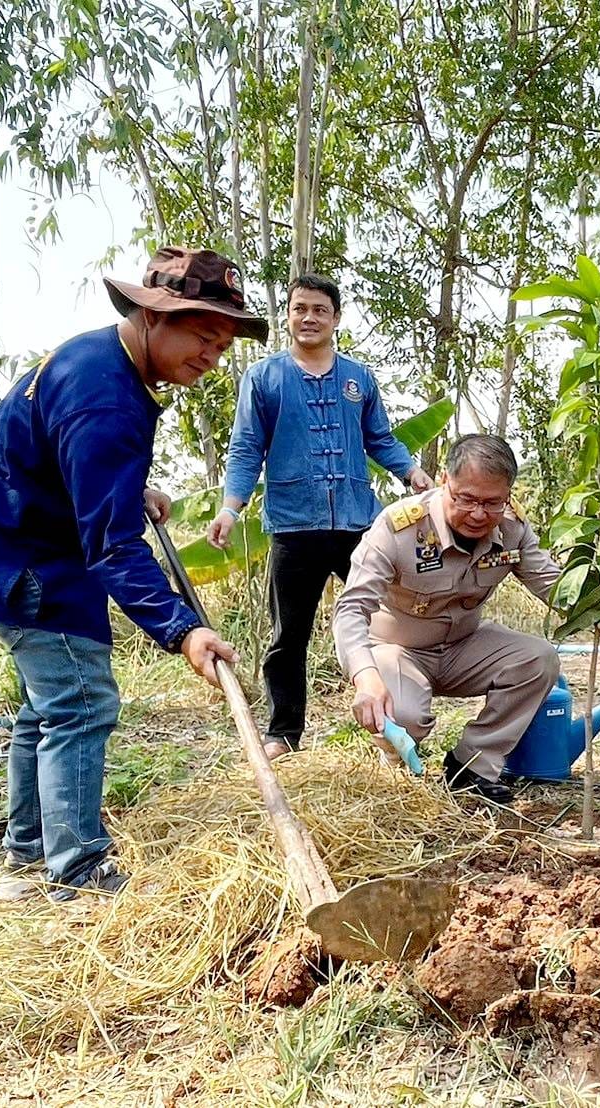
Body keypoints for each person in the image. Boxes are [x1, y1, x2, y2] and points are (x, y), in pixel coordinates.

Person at [0, 247, 251, 901]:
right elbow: (113, 549)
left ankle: (27, 858)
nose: (211, 357)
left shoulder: (97, 358)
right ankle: (78, 873)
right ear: (153, 316)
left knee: (46, 709)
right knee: (81, 703)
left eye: (222, 346)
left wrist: (128, 487)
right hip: (28, 562)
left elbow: (61, 455)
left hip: (0, 542)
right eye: (203, 336)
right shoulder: (106, 400)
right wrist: (183, 629)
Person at [207, 275, 431, 759]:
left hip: (358, 526)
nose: (309, 318)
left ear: (335, 318)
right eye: (300, 308)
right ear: (288, 315)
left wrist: (410, 471)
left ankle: (396, 726)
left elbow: (380, 438)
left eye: (319, 310)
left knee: (387, 622)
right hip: (294, 526)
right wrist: (230, 508)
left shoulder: (358, 378)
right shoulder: (263, 378)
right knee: (289, 635)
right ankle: (283, 733)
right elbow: (246, 449)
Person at [333, 434, 562, 802]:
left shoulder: (512, 528)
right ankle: (395, 771)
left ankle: (471, 765)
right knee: (402, 714)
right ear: (444, 481)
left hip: (463, 647)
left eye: (492, 503)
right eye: (466, 499)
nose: (478, 514)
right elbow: (351, 608)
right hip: (398, 651)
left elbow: (555, 586)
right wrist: (366, 676)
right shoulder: (400, 528)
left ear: (508, 495)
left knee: (538, 659)